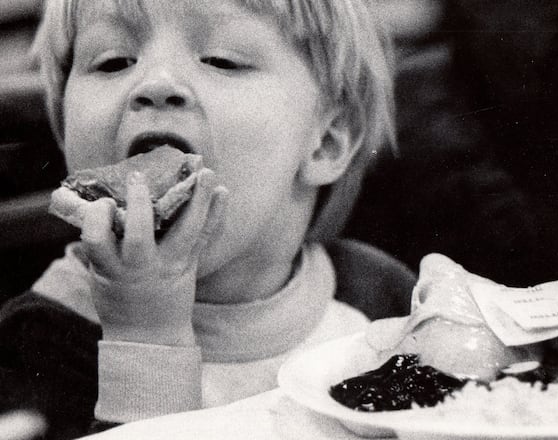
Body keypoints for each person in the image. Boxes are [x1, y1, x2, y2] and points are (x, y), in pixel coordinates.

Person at [0, 1, 415, 439]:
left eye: (222, 60)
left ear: (325, 143)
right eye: (113, 62)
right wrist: (146, 341)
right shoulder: (36, 341)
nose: (156, 84)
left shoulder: (377, 296)